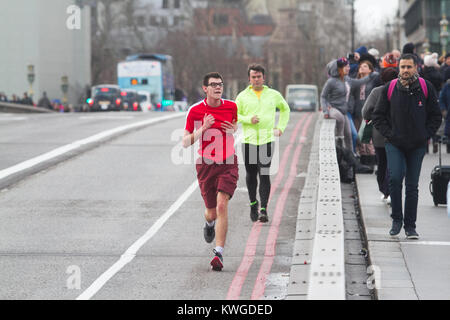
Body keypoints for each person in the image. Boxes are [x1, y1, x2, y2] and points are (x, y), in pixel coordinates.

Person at [372, 54, 442, 240]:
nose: (405, 70)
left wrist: (425, 134)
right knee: (395, 179)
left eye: (408, 67)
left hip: (417, 145)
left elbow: (436, 116)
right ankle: (397, 220)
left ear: (416, 68)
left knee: (412, 186)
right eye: (402, 67)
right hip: (395, 143)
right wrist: (389, 133)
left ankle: (410, 226)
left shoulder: (426, 88)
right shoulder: (390, 88)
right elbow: (378, 115)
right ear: (398, 68)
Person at [183, 72, 238, 271]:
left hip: (228, 162)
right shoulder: (195, 111)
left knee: (222, 204)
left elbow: (234, 124)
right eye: (213, 84)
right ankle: (209, 225)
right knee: (211, 212)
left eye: (220, 84)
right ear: (205, 88)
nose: (218, 87)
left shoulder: (231, 106)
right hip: (206, 165)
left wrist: (234, 130)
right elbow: (185, 142)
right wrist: (203, 128)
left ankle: (219, 253)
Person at [236, 64, 290, 223]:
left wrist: (280, 127)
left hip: (267, 140)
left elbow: (285, 109)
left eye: (259, 76)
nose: (256, 79)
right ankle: (253, 203)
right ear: (249, 78)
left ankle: (264, 209)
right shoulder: (242, 96)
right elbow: (234, 115)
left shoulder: (273, 94)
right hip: (249, 141)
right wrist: (248, 119)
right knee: (251, 174)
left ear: (263, 78)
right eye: (253, 77)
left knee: (264, 173)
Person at [321, 57, 379, 153]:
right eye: (346, 67)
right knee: (341, 120)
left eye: (348, 66)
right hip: (334, 109)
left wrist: (371, 76)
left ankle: (352, 156)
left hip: (345, 111)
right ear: (339, 69)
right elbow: (323, 96)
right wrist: (325, 110)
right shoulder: (331, 82)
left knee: (351, 135)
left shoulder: (347, 79)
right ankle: (339, 143)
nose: (349, 68)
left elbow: (359, 82)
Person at [362, 67, 399, 204]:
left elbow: (365, 111)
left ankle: (384, 191)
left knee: (381, 163)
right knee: (393, 164)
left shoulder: (376, 92)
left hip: (378, 134)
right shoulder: (400, 92)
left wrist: (374, 118)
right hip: (396, 134)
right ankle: (389, 191)